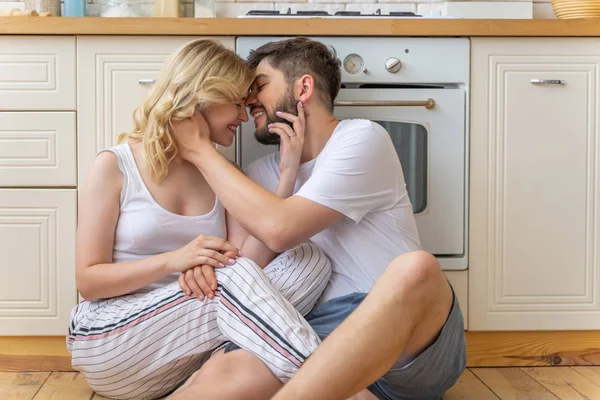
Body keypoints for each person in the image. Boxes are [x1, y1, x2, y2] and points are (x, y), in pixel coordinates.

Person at [169, 37, 466, 400]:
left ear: (304, 87)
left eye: (260, 87)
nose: (248, 102)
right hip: (311, 336)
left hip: (400, 334)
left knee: (417, 269)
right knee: (222, 370)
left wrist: (198, 148)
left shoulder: (361, 138)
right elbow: (244, 273)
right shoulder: (254, 176)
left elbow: (281, 229)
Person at [67, 38, 331, 400]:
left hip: (182, 350)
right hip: (114, 339)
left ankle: (206, 383)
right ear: (202, 97)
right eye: (237, 104)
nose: (243, 115)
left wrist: (287, 176)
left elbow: (246, 266)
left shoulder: (222, 173)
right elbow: (89, 281)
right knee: (234, 278)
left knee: (310, 258)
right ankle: (337, 383)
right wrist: (175, 262)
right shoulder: (115, 165)